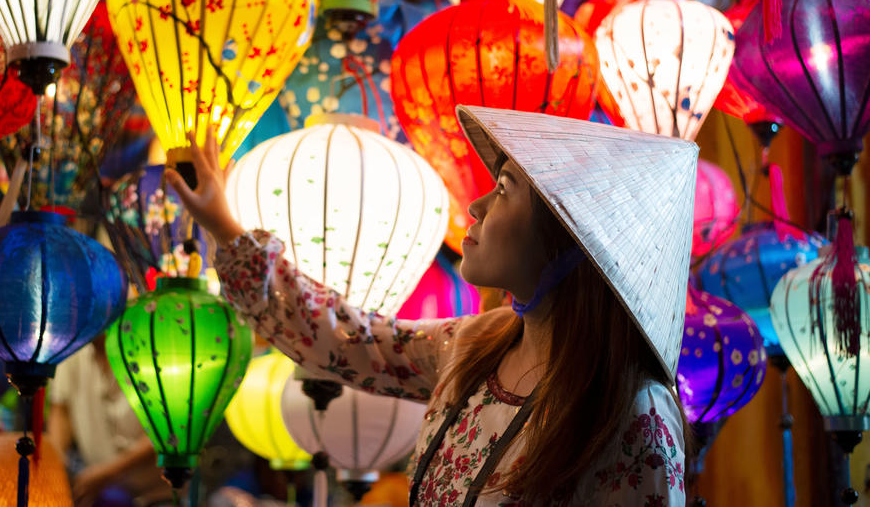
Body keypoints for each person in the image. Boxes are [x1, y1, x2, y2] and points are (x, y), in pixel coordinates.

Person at [165, 106, 698, 506]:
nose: (477, 204)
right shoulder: (474, 345)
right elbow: (347, 341)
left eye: (506, 188)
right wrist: (223, 227)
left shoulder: (632, 412)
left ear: (568, 240)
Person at [47, 336, 172, 507]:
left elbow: (168, 430)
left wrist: (109, 472)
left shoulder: (151, 344)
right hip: (99, 492)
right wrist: (58, 463)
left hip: (157, 493)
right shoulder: (73, 348)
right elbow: (61, 410)